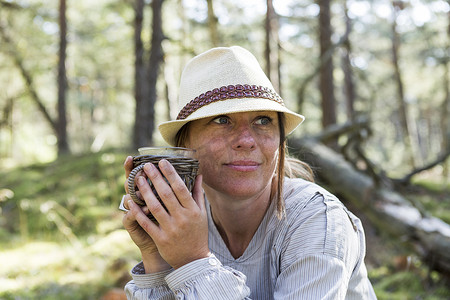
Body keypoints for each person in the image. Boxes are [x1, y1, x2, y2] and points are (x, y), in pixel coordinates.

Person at [120, 46, 377, 299]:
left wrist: (193, 261)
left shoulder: (317, 222)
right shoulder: (183, 222)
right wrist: (156, 258)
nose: (246, 140)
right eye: (222, 120)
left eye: (263, 121)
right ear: (185, 145)